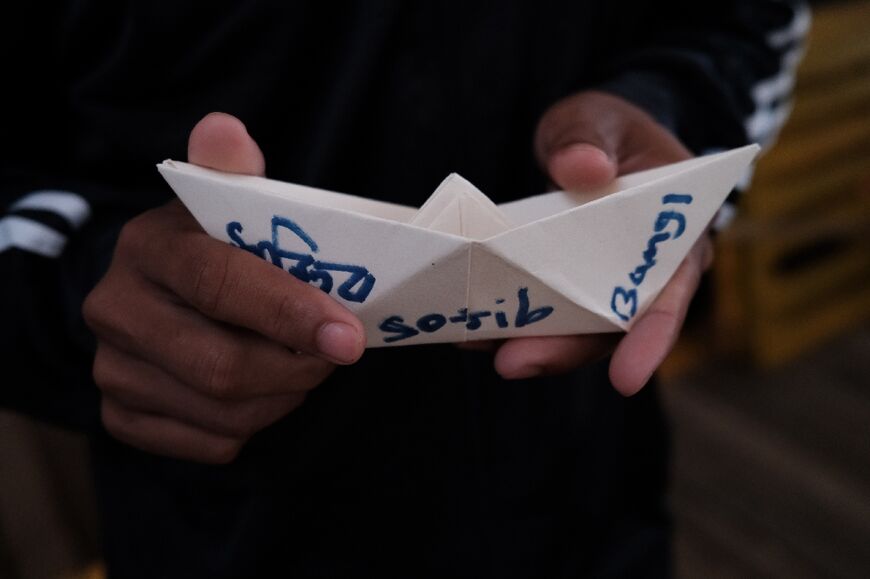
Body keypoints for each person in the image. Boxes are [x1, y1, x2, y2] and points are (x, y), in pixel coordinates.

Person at [1, 1, 807, 577]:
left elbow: (744, 19)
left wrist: (667, 132)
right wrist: (83, 289)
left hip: (587, 491)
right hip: (225, 520)